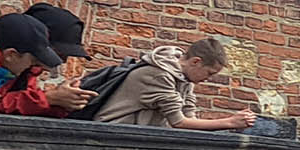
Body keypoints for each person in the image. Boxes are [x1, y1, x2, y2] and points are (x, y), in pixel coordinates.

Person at [91, 34, 258, 130]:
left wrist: (232, 123)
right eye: (209, 73)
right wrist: (229, 122)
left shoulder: (185, 79)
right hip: (112, 134)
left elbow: (190, 119)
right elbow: (178, 122)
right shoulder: (158, 74)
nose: (208, 79)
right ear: (195, 62)